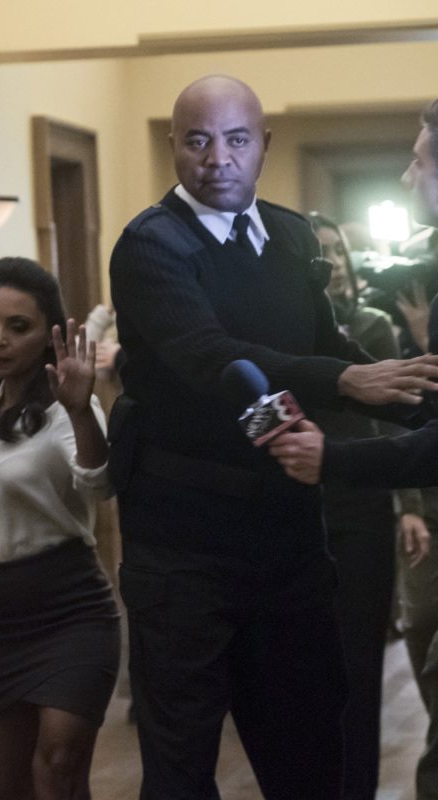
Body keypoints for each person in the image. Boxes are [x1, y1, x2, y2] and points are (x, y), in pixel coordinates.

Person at [108, 75, 438, 799]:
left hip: (286, 539)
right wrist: (339, 386)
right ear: (174, 146)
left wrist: (416, 405)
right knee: (181, 767)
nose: (216, 159)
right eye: (198, 141)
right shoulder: (150, 246)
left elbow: (326, 347)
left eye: (235, 140)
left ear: (263, 143)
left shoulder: (289, 236)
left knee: (308, 752)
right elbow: (214, 361)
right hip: (183, 548)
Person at [272, 98, 438, 800]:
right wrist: (345, 376)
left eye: (419, 161)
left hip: (358, 512)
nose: (406, 177)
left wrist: (335, 459)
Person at [0, 257, 119, 799]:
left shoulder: (67, 408)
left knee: (58, 768)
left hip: (71, 609)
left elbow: (99, 484)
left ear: (49, 334)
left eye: (18, 326)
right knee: (9, 788)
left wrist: (80, 410)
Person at [308, 211, 430, 799]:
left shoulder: (371, 326)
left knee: (358, 668)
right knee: (298, 674)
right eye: (319, 253)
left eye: (337, 251)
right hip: (294, 505)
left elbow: (401, 425)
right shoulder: (274, 332)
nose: (332, 264)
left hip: (359, 505)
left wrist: (408, 505)